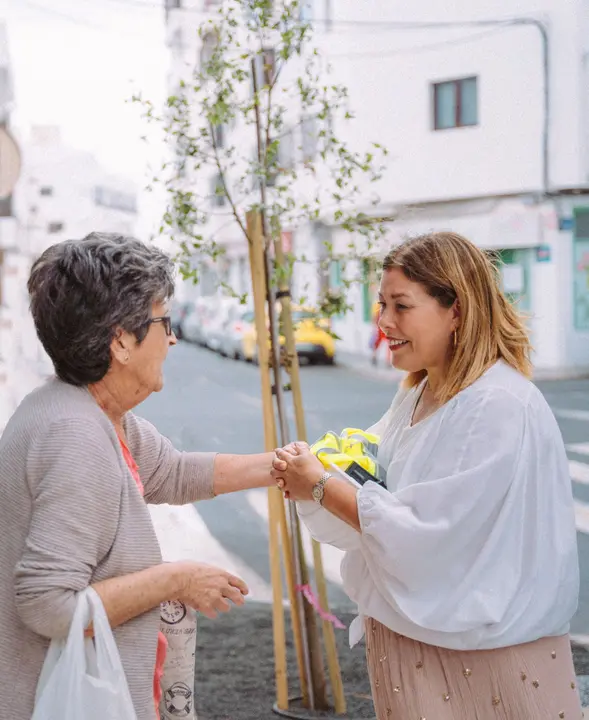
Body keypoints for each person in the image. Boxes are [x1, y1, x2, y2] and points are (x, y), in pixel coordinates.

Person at [272, 232, 582, 719]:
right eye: (381, 304)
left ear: (455, 310)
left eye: (401, 305)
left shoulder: (495, 403)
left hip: (483, 664)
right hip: (421, 650)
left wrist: (319, 484)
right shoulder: (422, 392)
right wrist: (319, 471)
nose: (384, 322)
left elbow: (431, 536)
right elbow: (375, 484)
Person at [0, 233, 278, 720]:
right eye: (162, 322)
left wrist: (283, 466)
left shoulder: (88, 409)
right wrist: (177, 578)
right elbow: (49, 605)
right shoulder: (75, 435)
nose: (172, 338)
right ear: (121, 341)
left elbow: (170, 472)